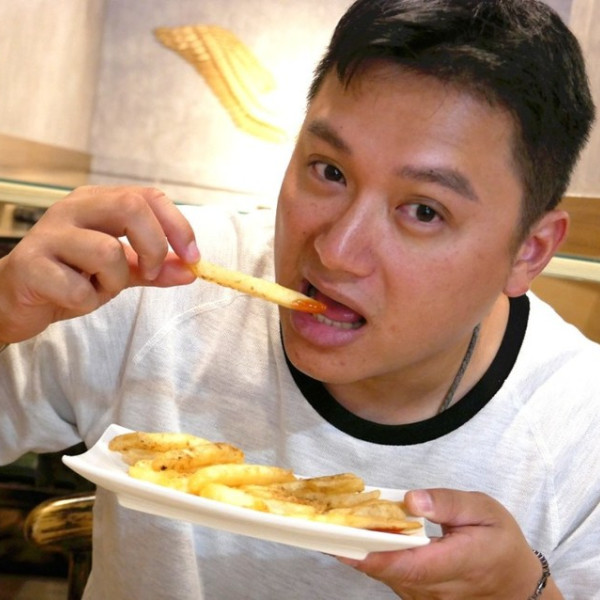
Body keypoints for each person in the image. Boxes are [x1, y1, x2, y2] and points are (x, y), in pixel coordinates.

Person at [1, 0, 598, 597]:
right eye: (329, 171)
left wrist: (526, 593)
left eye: (423, 211)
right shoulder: (162, 275)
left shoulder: (580, 429)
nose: (336, 251)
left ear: (530, 252)